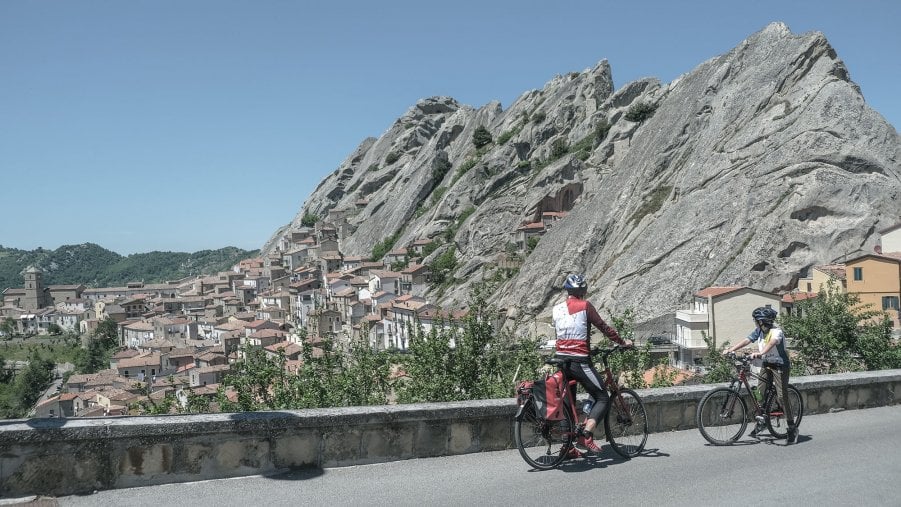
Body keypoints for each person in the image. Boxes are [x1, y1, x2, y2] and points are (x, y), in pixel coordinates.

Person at [552, 273, 632, 456]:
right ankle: (587, 434)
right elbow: (603, 327)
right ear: (584, 291)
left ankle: (567, 448)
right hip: (579, 362)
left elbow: (566, 333)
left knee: (567, 403)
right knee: (602, 397)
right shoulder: (585, 306)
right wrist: (622, 342)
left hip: (561, 360)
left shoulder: (557, 309)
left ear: (567, 290)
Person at [723, 306, 798, 444]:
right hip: (767, 364)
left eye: (756, 321)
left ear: (763, 321)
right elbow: (747, 340)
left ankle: (792, 427)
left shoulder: (777, 332)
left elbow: (772, 342)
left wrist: (761, 353)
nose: (755, 323)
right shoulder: (759, 331)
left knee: (782, 396)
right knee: (759, 393)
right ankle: (762, 420)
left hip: (780, 365)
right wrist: (731, 349)